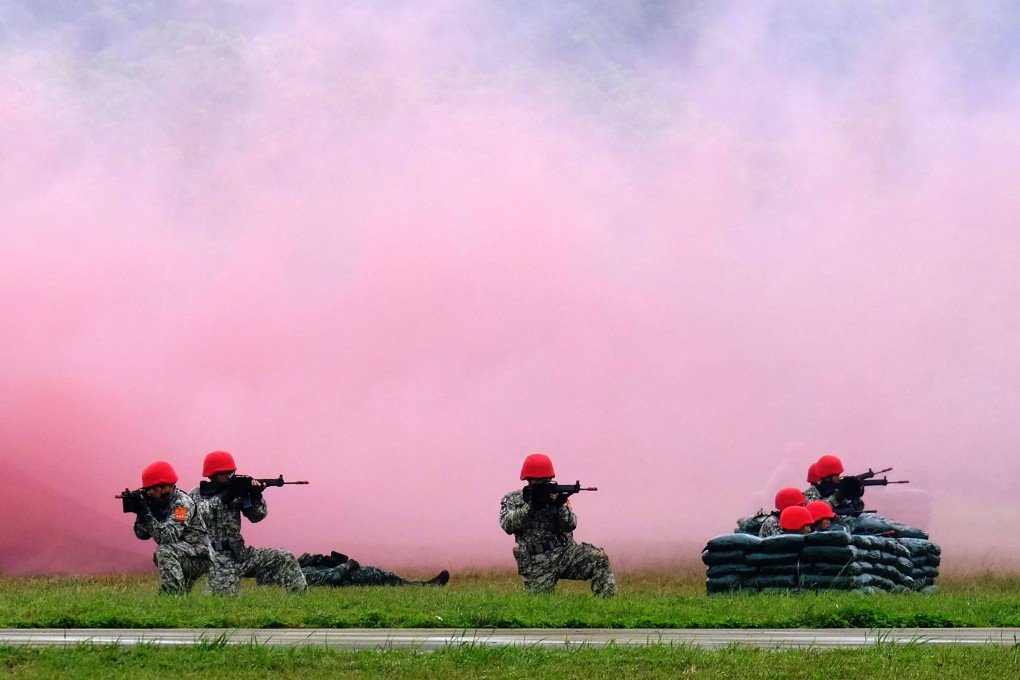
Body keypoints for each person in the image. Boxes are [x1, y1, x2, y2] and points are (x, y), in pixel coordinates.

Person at [499, 453, 616, 596]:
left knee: (598, 558)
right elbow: (507, 525)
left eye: (545, 481)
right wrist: (530, 507)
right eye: (538, 482)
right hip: (536, 562)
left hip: (565, 553)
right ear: (528, 480)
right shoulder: (513, 499)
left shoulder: (555, 495)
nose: (543, 485)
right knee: (539, 609)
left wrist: (559, 505)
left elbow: (571, 524)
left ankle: (606, 609)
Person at [191, 451, 306, 596]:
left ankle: (300, 601)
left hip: (241, 553)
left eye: (230, 473)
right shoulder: (196, 494)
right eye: (224, 473)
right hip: (216, 557)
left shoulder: (237, 491)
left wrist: (256, 495)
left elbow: (257, 517)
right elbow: (197, 516)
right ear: (212, 475)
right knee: (221, 601)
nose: (228, 476)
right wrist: (225, 496)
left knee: (285, 557)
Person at [128, 460, 214, 595]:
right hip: (184, 553)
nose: (150, 493)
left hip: (200, 556)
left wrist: (147, 514)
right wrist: (142, 513)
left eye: (152, 488)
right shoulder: (158, 502)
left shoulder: (182, 504)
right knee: (160, 555)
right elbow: (141, 534)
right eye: (147, 489)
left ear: (166, 487)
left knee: (164, 551)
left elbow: (167, 536)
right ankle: (177, 596)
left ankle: (173, 596)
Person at [298, 551, 449, 587]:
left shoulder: (310, 570)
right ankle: (428, 586)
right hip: (358, 579)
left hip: (363, 575)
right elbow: (333, 578)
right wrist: (348, 565)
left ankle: (425, 584)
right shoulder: (304, 573)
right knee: (393, 581)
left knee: (393, 579)